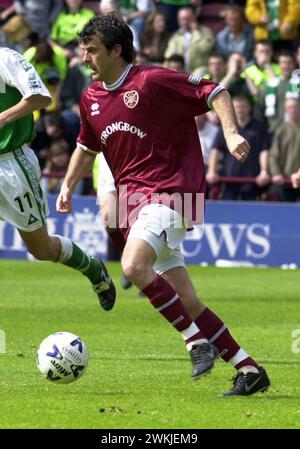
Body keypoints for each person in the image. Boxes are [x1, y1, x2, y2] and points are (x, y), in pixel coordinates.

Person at [56, 14, 271, 396]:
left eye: (91, 51)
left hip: (173, 191)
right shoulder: (91, 98)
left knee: (132, 265)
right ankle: (248, 369)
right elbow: (86, 147)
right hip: (133, 203)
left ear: (115, 51)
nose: (83, 58)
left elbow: (215, 91)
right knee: (187, 301)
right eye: (82, 50)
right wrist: (68, 187)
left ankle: (194, 343)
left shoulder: (151, 80)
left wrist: (231, 131)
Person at [0, 46, 116, 312]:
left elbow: (42, 97)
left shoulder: (5, 58)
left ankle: (93, 268)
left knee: (42, 249)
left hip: (11, 164)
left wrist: (3, 118)